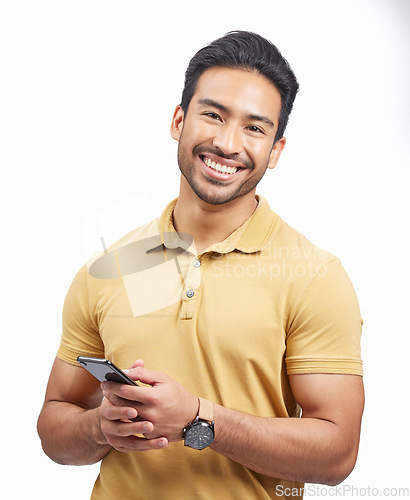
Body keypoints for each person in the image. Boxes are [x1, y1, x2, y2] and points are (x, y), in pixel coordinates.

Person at [37, 31, 364, 499]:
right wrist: (98, 428)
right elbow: (54, 424)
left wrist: (197, 418)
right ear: (178, 120)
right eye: (213, 115)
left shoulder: (312, 275)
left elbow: (337, 455)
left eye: (255, 128)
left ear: (276, 150)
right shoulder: (115, 267)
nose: (227, 143)